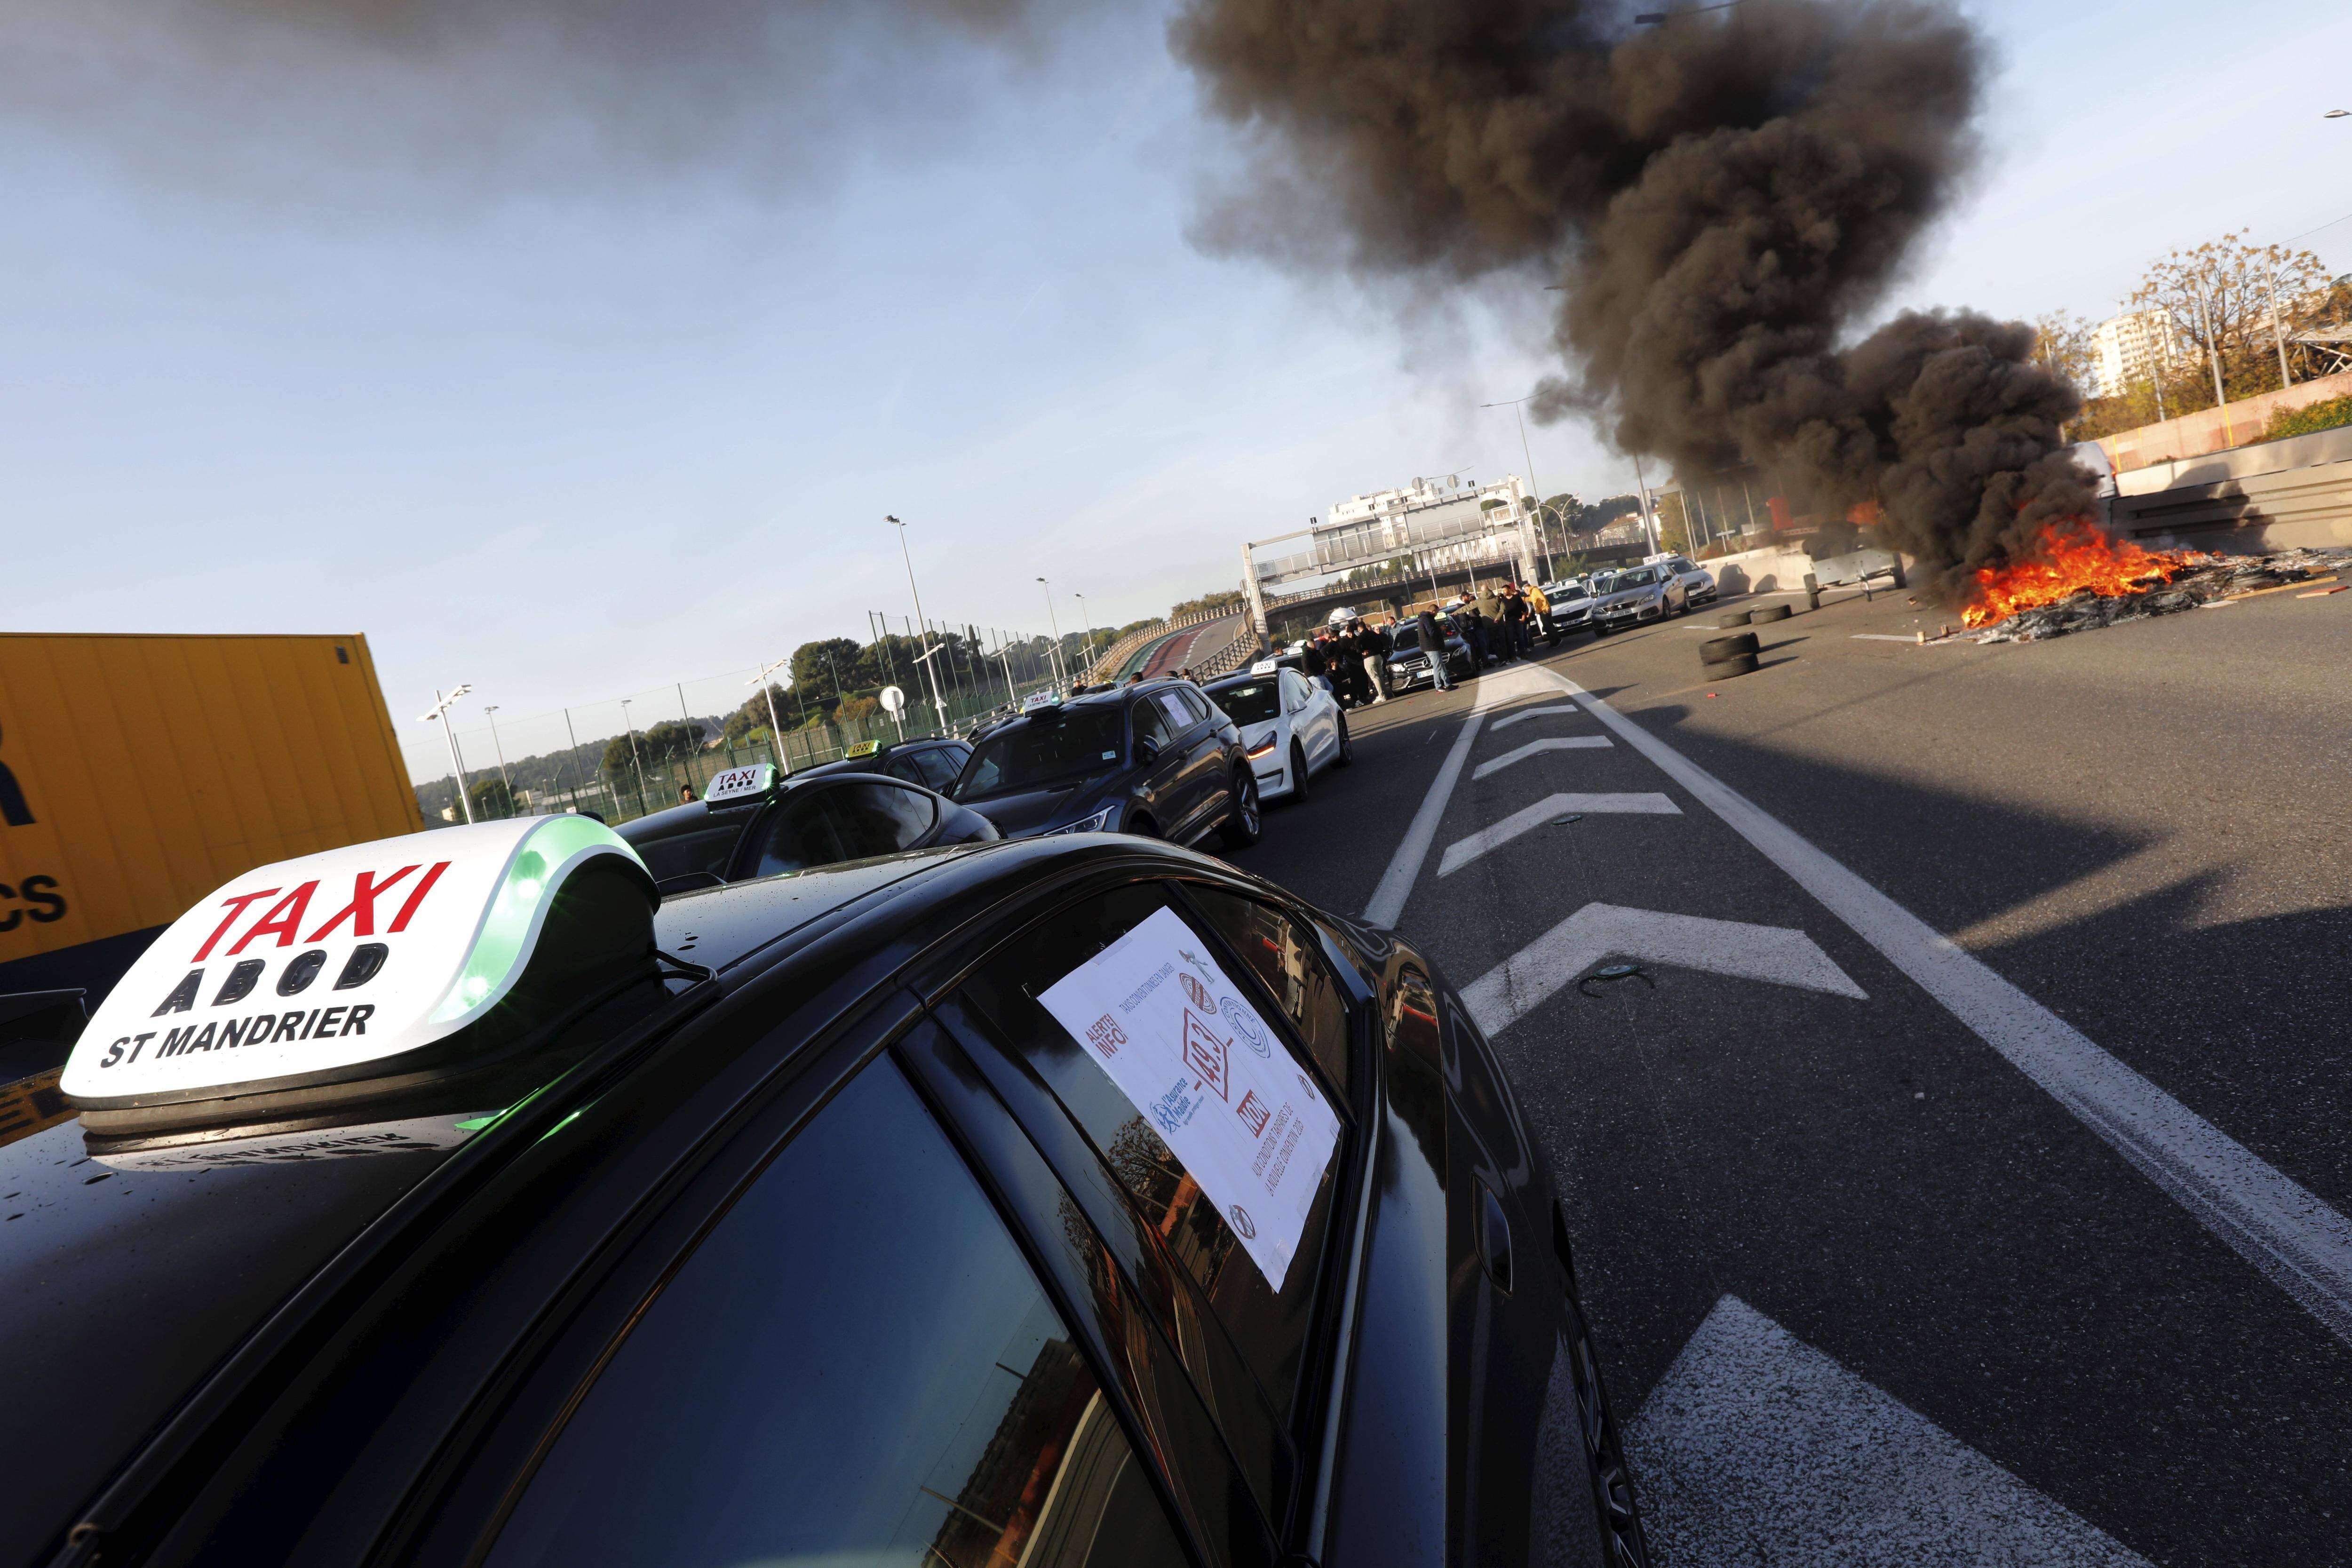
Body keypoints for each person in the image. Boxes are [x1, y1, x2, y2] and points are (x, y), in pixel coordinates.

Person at [1417, 606, 1453, 691]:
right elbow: (1432, 632)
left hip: (1431, 646)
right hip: (1431, 646)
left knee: (1441, 665)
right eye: (1437, 612)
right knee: (1437, 666)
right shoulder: (1426, 619)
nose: (1437, 615)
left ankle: (1448, 684)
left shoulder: (1424, 618)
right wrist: (1440, 629)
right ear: (1433, 611)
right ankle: (1438, 686)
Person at [1358, 619, 1390, 704]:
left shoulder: (1362, 636)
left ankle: (1381, 696)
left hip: (1369, 658)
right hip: (1378, 656)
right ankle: (1384, 693)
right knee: (1380, 675)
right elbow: (1380, 644)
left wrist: (1362, 651)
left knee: (1375, 677)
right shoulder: (1373, 634)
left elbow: (1357, 644)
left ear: (1359, 630)